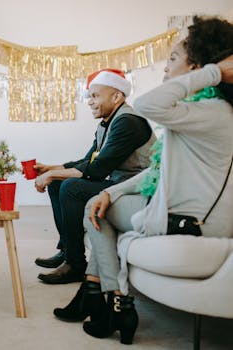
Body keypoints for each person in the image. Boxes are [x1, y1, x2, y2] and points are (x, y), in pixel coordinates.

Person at [53, 16, 233, 345]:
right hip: (179, 209)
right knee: (98, 201)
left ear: (196, 67)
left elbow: (148, 103)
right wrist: (112, 191)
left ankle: (110, 298)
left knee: (93, 204)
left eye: (173, 60)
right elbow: (157, 171)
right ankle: (105, 297)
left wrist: (215, 71)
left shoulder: (212, 111)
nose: (165, 71)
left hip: (190, 221)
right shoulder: (204, 109)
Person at [35, 68, 156, 284]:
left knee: (71, 187)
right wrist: (51, 169)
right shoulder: (107, 123)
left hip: (134, 189)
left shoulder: (128, 122)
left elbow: (97, 169)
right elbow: (88, 160)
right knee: (58, 184)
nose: (90, 102)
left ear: (116, 96)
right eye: (89, 96)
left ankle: (75, 264)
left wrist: (54, 174)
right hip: (117, 183)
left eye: (95, 95)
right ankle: (67, 250)